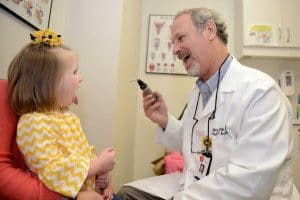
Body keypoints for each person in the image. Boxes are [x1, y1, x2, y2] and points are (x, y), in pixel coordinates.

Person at [118, 7, 300, 200]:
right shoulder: (198, 94)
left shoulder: (260, 92)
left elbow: (249, 181)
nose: (174, 50)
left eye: (180, 38)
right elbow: (199, 144)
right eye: (173, 43)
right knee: (126, 193)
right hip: (200, 184)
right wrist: (164, 121)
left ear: (210, 30)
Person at [7, 29, 116, 200]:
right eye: (74, 72)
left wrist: (101, 179)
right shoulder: (32, 124)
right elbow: (53, 170)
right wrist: (97, 164)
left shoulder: (68, 118)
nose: (80, 78)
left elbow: (81, 157)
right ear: (50, 85)